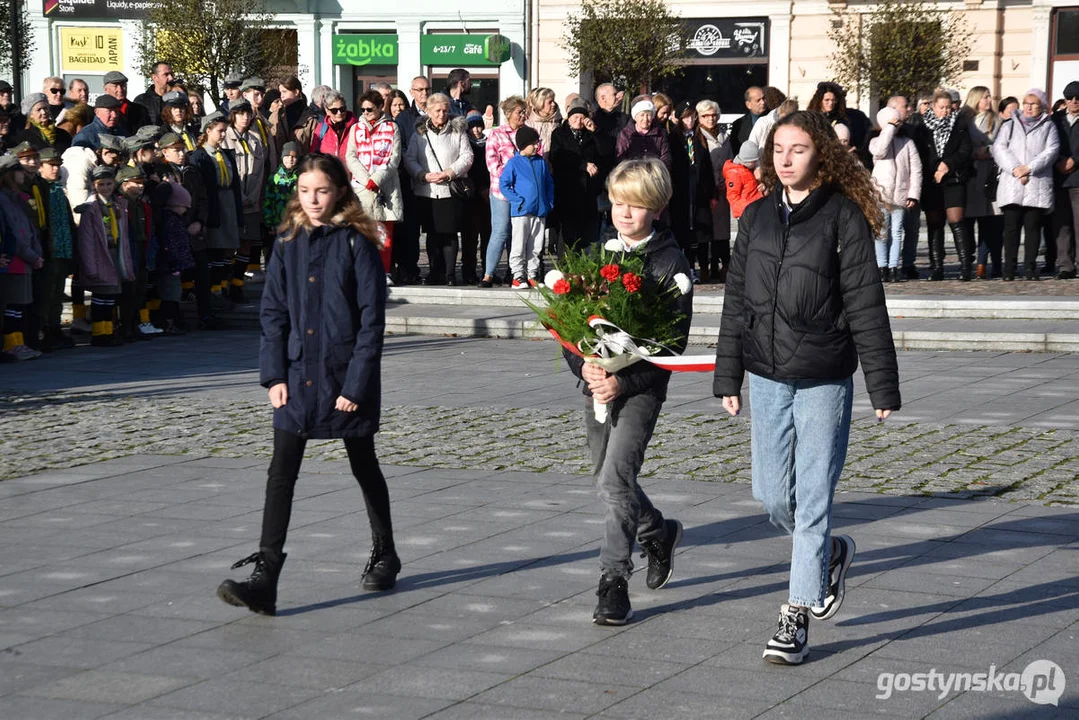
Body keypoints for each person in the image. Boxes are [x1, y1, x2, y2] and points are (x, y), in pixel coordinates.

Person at [714, 110, 900, 665]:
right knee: (772, 496)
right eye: (778, 150)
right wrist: (729, 375)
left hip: (824, 376)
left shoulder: (842, 217)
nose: (786, 159)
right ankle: (827, 555)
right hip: (767, 374)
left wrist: (881, 386)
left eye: (797, 149)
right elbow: (735, 301)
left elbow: (867, 302)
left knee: (814, 498)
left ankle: (795, 614)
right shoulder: (756, 217)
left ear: (820, 154)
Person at [216, 153, 399, 616]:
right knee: (281, 474)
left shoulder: (358, 243)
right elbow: (273, 312)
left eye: (321, 190)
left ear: (339, 191)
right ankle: (266, 575)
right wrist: (274, 374)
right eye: (304, 191)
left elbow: (371, 323)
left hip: (344, 376)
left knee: (363, 463)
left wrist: (355, 386)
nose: (312, 200)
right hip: (298, 376)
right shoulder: (287, 240)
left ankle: (385, 551)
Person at [562, 157, 691, 626]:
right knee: (605, 478)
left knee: (616, 480)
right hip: (597, 385)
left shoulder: (670, 263)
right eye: (618, 203)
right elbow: (569, 325)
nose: (624, 213)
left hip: (640, 389)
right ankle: (657, 531)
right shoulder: (600, 254)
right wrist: (587, 366)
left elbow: (670, 345)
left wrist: (624, 379)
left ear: (655, 207)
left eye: (635, 205)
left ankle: (613, 580)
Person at [404, 93, 473, 285]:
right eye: (437, 110)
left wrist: (450, 172)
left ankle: (450, 274)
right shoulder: (419, 133)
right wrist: (422, 175)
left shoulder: (457, 131)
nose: (442, 114)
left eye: (445, 110)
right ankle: (435, 272)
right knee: (432, 233)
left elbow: (467, 156)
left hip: (449, 189)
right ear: (428, 111)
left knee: (449, 233)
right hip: (426, 190)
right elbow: (410, 158)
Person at [993, 89, 1060, 281]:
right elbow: (999, 148)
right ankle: (1009, 269)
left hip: (1036, 184)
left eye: (1034, 104)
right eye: (1026, 103)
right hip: (1012, 183)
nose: (1029, 107)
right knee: (1011, 228)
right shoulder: (1010, 124)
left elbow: (1051, 151)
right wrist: (1015, 169)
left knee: (1032, 228)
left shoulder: (1049, 126)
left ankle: (1030, 268)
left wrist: (1029, 168)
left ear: (1042, 106)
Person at [156, 131, 214, 330]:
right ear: (165, 152)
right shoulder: (162, 172)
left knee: (202, 272)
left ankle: (205, 314)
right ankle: (174, 317)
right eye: (176, 150)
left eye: (182, 150)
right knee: (173, 276)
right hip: (173, 232)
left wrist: (199, 221)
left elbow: (203, 199)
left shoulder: (193, 171)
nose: (181, 154)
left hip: (193, 231)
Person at [916, 88, 974, 280]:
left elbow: (965, 151)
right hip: (932, 182)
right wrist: (935, 168)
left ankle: (965, 266)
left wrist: (946, 165)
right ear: (933, 107)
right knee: (935, 224)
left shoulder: (960, 125)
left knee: (957, 222)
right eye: (941, 107)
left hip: (954, 179)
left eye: (948, 107)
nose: (945, 111)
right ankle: (937, 267)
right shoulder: (922, 127)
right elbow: (921, 154)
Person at [75, 164, 134, 346]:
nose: (106, 188)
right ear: (94, 185)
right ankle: (100, 334)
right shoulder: (90, 208)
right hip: (99, 256)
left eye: (109, 184)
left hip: (115, 253)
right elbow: (85, 240)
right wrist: (90, 266)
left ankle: (109, 331)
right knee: (101, 298)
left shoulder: (117, 205)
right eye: (101, 184)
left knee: (110, 298)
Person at [346, 89, 403, 280]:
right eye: (362, 109)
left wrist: (376, 179)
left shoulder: (392, 127)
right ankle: (363, 272)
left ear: (380, 107)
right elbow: (350, 156)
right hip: (361, 187)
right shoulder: (356, 128)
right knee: (362, 232)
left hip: (385, 186)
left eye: (369, 109)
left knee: (384, 234)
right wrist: (365, 179)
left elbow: (394, 158)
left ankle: (384, 271)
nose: (365, 113)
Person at [190, 111, 243, 306]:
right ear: (208, 130)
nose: (223, 135)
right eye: (220, 131)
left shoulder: (224, 154)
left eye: (225, 131)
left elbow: (235, 183)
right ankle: (211, 293)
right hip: (213, 204)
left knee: (224, 251)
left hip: (227, 202)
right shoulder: (200, 156)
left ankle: (221, 289)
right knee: (213, 251)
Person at [222, 101, 269, 304]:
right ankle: (224, 284)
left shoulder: (256, 139)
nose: (245, 117)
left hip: (251, 200)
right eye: (240, 114)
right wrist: (239, 197)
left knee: (246, 242)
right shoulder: (225, 138)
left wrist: (252, 197)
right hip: (232, 200)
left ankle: (238, 284)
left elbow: (260, 172)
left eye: (247, 114)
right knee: (228, 244)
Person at [870, 105, 923, 282]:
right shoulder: (875, 141)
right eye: (893, 122)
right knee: (881, 232)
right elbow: (880, 151)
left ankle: (893, 267)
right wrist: (888, 129)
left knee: (897, 232)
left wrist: (913, 194)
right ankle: (881, 266)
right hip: (881, 195)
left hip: (900, 195)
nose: (897, 126)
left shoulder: (908, 143)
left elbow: (916, 170)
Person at [482, 96, 530, 287]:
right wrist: (514, 173)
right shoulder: (497, 134)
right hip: (502, 191)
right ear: (509, 114)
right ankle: (488, 274)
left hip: (524, 193)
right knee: (501, 231)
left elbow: (537, 158)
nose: (523, 115)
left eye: (524, 111)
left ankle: (515, 273)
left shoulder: (530, 133)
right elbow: (492, 164)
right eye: (519, 111)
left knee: (518, 233)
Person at [0, 154, 44, 361]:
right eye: (18, 170)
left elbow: (28, 229)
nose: (23, 174)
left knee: (19, 305)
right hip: (15, 260)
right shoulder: (3, 199)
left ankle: (18, 343)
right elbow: (13, 233)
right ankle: (11, 345)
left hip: (25, 259)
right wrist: (31, 255)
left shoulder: (16, 197)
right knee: (13, 305)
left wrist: (36, 253)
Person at [34, 147, 78, 352]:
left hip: (63, 247)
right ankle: (43, 330)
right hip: (48, 250)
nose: (55, 169)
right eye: (51, 165)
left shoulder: (58, 189)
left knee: (58, 292)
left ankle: (55, 328)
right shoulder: (39, 189)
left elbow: (67, 221)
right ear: (40, 167)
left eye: (58, 165)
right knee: (46, 293)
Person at [500, 125, 554, 289]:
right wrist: (518, 201)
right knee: (518, 245)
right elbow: (504, 185)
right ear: (523, 144)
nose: (537, 146)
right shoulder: (514, 163)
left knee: (536, 246)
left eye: (537, 142)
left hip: (540, 212)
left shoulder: (541, 163)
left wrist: (549, 202)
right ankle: (518, 276)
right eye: (533, 143)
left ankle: (532, 275)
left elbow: (549, 184)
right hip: (521, 212)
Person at [669, 101, 715, 281]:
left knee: (698, 229)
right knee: (681, 228)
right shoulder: (674, 138)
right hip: (680, 189)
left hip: (698, 189)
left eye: (692, 116)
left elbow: (708, 166)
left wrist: (711, 193)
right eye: (686, 116)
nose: (690, 120)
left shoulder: (699, 137)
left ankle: (695, 267)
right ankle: (683, 267)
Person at [962, 87, 1004, 279]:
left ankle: (982, 263)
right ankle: (968, 260)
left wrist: (988, 150)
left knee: (988, 222)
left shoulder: (996, 120)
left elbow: (1001, 143)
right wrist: (972, 152)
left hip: (989, 175)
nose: (989, 99)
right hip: (970, 175)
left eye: (989, 96)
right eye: (985, 96)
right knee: (968, 221)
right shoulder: (966, 121)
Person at [549, 104, 601, 253]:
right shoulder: (559, 134)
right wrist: (583, 165)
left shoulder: (590, 134)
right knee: (567, 234)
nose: (578, 121)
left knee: (586, 235)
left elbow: (605, 152)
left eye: (581, 117)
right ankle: (565, 268)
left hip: (588, 192)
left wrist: (596, 132)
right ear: (569, 118)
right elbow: (557, 157)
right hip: (567, 189)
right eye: (575, 117)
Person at [697, 99, 733, 282]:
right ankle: (704, 267)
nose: (710, 119)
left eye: (713, 115)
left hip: (722, 188)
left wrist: (726, 181)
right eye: (705, 116)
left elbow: (730, 161)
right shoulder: (697, 136)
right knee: (705, 231)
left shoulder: (724, 135)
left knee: (721, 232)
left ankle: (722, 265)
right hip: (704, 188)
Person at [1052, 82, 1079, 280]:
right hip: (1059, 178)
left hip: (1078, 178)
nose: (1074, 102)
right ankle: (1065, 265)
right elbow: (1046, 143)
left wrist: (1075, 160)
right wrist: (1058, 160)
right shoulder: (1055, 120)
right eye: (1070, 98)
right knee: (1062, 225)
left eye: (1077, 98)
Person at [461, 113, 491, 283]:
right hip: (471, 195)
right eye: (473, 127)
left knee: (488, 235)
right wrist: (478, 188)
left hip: (488, 195)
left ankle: (488, 268)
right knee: (470, 237)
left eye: (479, 126)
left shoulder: (488, 143)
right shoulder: (466, 144)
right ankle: (468, 271)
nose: (477, 130)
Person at [807, 82, 870, 153]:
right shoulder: (811, 118)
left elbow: (864, 134)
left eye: (833, 100)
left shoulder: (849, 116)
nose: (831, 103)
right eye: (827, 100)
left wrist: (856, 148)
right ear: (819, 100)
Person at [617, 98, 671, 170]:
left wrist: (655, 170)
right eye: (642, 115)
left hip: (655, 174)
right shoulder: (626, 134)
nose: (645, 119)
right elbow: (621, 158)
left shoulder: (661, 133)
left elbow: (666, 157)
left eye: (648, 115)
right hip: (632, 175)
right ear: (635, 117)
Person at [263, 141, 300, 244]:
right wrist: (270, 223)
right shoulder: (274, 177)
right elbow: (268, 201)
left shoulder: (301, 177)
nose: (290, 159)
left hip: (296, 223)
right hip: (277, 223)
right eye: (287, 156)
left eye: (294, 156)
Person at [310, 90, 356, 164]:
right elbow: (314, 155)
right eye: (334, 110)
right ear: (327, 111)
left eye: (342, 109)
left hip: (351, 173)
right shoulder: (321, 128)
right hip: (328, 172)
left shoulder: (356, 126)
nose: (339, 113)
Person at [101, 71, 150, 136]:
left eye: (123, 85)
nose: (120, 90)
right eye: (115, 86)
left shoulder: (140, 110)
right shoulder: (99, 112)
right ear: (106, 89)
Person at [724, 140, 764, 219]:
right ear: (748, 161)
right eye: (754, 161)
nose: (756, 163)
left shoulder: (748, 169)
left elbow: (751, 188)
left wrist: (761, 187)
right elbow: (733, 198)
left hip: (755, 208)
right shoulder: (735, 173)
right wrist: (747, 210)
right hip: (746, 213)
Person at [525, 87, 561, 157]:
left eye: (553, 101)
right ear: (540, 104)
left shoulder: (559, 123)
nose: (553, 104)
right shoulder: (528, 125)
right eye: (550, 102)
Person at [730, 86, 766, 156]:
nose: (763, 102)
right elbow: (735, 150)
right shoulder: (738, 125)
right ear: (748, 104)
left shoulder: (773, 120)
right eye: (758, 100)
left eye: (764, 98)